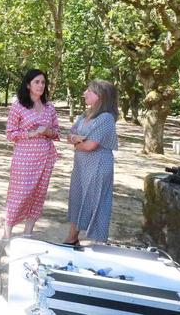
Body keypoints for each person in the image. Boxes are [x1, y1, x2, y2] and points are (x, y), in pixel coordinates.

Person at [3, 69, 60, 239]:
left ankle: (28, 233)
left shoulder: (50, 107)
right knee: (19, 194)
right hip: (25, 157)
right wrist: (32, 133)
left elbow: (57, 132)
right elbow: (10, 134)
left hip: (46, 157)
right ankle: (7, 234)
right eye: (37, 82)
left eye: (43, 82)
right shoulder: (18, 106)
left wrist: (48, 132)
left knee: (38, 194)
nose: (41, 85)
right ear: (28, 84)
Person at [63, 80, 119, 245]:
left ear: (100, 96)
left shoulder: (106, 118)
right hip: (81, 165)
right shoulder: (85, 115)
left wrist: (76, 141)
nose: (84, 93)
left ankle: (99, 244)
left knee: (96, 201)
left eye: (89, 90)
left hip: (98, 165)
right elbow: (69, 134)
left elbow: (89, 146)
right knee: (77, 197)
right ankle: (72, 238)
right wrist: (75, 139)